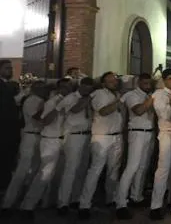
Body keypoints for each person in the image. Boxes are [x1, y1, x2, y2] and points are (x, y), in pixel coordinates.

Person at [21, 78, 72, 218]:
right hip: (50, 140)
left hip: (64, 140)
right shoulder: (52, 102)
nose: (66, 90)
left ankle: (54, 203)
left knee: (59, 174)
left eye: (69, 87)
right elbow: (45, 121)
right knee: (44, 174)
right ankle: (28, 207)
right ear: (58, 89)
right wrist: (57, 108)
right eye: (64, 87)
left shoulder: (69, 101)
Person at [79, 72, 125, 219]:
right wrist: (118, 102)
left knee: (114, 170)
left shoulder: (116, 94)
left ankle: (111, 199)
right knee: (95, 170)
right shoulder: (98, 94)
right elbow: (103, 111)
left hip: (116, 136)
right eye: (110, 80)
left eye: (115, 80)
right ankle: (84, 204)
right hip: (102, 137)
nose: (114, 82)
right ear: (104, 83)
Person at [1, 81, 46, 214]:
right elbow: (37, 117)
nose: (45, 90)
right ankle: (7, 203)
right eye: (42, 88)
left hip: (39, 136)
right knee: (22, 169)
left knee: (34, 170)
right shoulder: (32, 100)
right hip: (30, 136)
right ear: (36, 89)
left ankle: (25, 202)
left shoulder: (40, 99)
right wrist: (46, 106)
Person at [115, 73, 156, 219]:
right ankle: (120, 203)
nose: (147, 85)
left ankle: (136, 196)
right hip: (137, 132)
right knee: (132, 167)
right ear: (139, 82)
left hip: (149, 133)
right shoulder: (132, 95)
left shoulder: (149, 95)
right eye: (145, 83)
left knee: (143, 167)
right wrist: (151, 99)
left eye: (149, 83)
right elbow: (138, 111)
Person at [56, 77, 95, 214]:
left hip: (87, 135)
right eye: (85, 86)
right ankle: (63, 202)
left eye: (90, 88)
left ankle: (75, 198)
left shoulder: (90, 99)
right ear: (80, 86)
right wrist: (86, 99)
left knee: (82, 169)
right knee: (70, 169)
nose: (87, 90)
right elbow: (74, 109)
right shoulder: (71, 98)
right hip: (73, 136)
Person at [150, 68, 171, 220]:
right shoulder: (159, 94)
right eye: (170, 78)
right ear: (164, 80)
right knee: (163, 169)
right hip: (167, 133)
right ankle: (155, 205)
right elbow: (166, 115)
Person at [0, 60, 20, 192]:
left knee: (8, 161)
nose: (10, 71)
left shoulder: (10, 85)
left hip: (11, 130)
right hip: (3, 130)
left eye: (11, 68)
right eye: (7, 68)